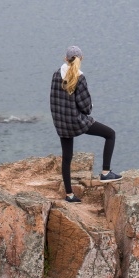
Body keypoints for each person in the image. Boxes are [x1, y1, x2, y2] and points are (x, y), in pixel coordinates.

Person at [50, 45, 121, 203]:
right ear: (81, 59)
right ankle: (105, 172)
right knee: (110, 134)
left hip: (61, 122)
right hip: (75, 121)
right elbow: (86, 108)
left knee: (67, 157)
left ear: (65, 58)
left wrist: (59, 119)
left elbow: (53, 100)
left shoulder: (56, 74)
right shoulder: (79, 77)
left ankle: (69, 195)